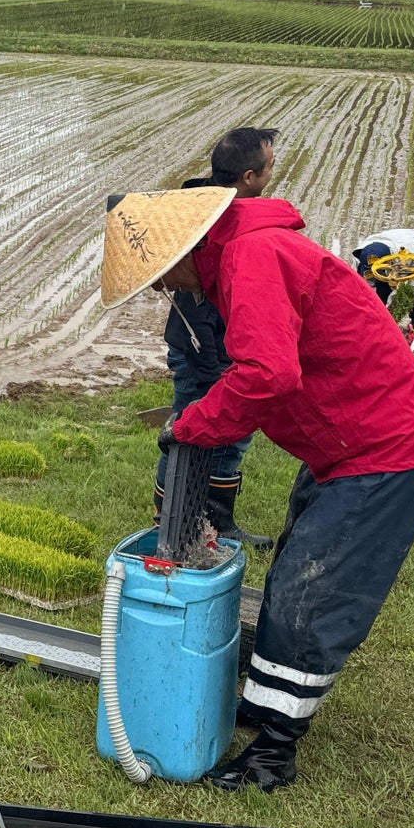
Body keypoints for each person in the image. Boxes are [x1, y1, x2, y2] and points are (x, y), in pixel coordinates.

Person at [101, 185, 414, 791]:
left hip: (383, 451)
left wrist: (195, 426)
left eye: (163, 276)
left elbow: (267, 374)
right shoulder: (242, 253)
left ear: (187, 248)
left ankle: (274, 752)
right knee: (295, 571)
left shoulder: (252, 257)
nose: (167, 290)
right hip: (343, 446)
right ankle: (264, 706)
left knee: (308, 598)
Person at [154, 127, 279, 550]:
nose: (271, 171)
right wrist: (215, 367)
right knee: (187, 429)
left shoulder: (213, 204)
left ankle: (215, 519)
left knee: (233, 433)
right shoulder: (201, 220)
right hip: (203, 342)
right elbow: (196, 302)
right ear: (248, 176)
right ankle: (168, 520)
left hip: (227, 341)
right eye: (269, 165)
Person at [352, 228, 414, 332]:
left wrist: (395, 310)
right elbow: (360, 287)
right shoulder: (361, 254)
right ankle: (377, 320)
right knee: (379, 295)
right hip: (390, 252)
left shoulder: (412, 256)